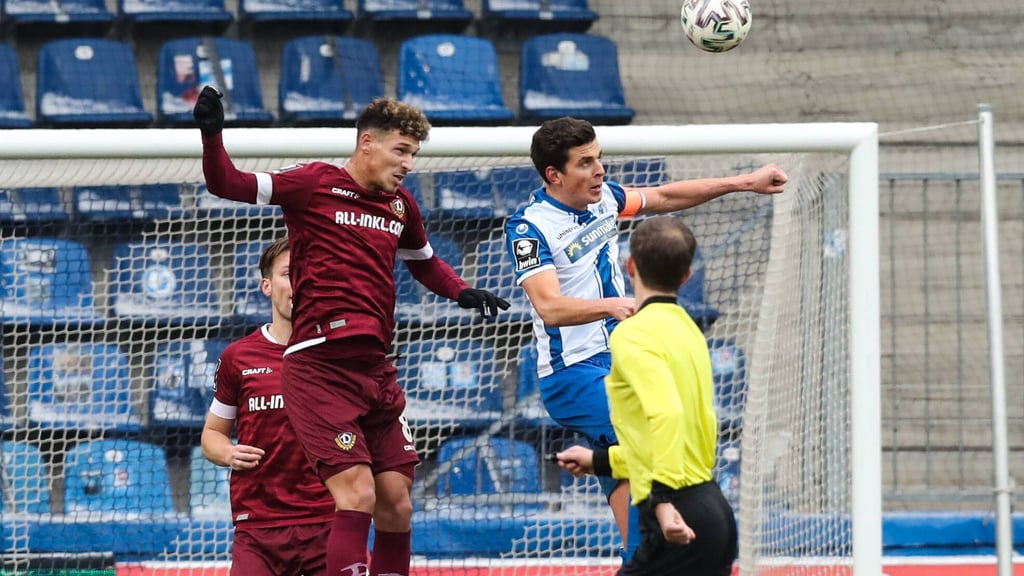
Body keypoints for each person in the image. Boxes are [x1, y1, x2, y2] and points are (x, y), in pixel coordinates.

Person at [193, 88, 510, 576]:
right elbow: (227, 183)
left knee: (396, 502)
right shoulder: (314, 183)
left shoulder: (401, 206)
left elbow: (426, 264)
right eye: (401, 151)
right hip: (320, 365)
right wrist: (212, 136)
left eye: (413, 154)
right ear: (367, 143)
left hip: (375, 370)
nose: (408, 164)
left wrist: (462, 291)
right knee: (358, 494)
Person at [504, 116, 785, 559]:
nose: (600, 170)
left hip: (616, 361)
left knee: (629, 493)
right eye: (585, 163)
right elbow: (550, 307)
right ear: (554, 174)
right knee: (650, 440)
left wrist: (745, 182)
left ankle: (643, 553)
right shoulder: (530, 227)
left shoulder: (605, 199)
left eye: (599, 159)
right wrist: (612, 306)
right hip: (574, 374)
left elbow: (666, 197)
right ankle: (668, 517)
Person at [556, 216, 737, 576]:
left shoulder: (632, 334)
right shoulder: (690, 329)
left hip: (677, 516)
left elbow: (667, 415)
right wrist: (600, 461)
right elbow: (671, 442)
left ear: (630, 266)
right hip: (714, 512)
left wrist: (662, 501)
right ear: (687, 276)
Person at [201, 237, 337, 576]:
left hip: (330, 520)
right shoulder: (238, 357)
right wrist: (228, 453)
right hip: (259, 528)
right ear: (267, 286)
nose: (298, 282)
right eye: (288, 273)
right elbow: (212, 435)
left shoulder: (339, 354)